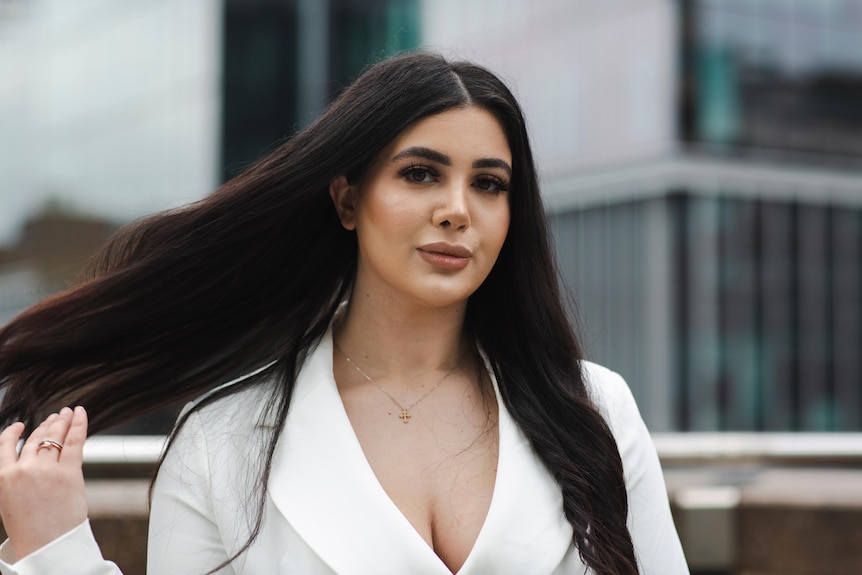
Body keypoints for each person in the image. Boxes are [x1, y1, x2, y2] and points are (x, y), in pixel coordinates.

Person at [0, 53, 688, 575]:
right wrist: (56, 550)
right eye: (420, 173)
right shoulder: (224, 442)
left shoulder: (593, 406)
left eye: (488, 183)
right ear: (348, 200)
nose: (457, 208)